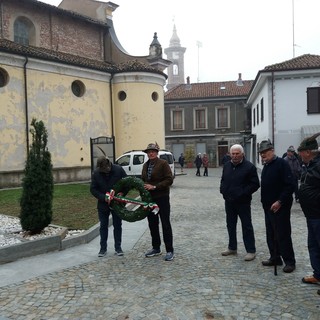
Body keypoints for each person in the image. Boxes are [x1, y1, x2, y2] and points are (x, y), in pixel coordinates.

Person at [259, 139, 296, 273]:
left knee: (283, 233)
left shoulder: (282, 164)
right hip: (268, 207)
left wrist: (280, 201)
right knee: (271, 233)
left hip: (280, 207)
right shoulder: (266, 166)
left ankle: (290, 261)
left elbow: (290, 185)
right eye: (261, 153)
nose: (263, 155)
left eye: (265, 152)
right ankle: (275, 257)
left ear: (272, 151)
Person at [220, 144, 260, 261]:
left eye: (237, 153)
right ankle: (232, 247)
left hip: (243, 202)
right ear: (230, 154)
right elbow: (223, 180)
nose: (235, 156)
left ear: (242, 154)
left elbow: (255, 184)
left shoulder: (249, 167)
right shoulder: (227, 166)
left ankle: (251, 250)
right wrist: (223, 190)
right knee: (230, 225)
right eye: (233, 153)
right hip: (229, 201)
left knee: (246, 226)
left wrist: (242, 193)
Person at [141, 142, 174, 261]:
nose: (151, 153)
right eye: (149, 152)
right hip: (150, 199)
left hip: (162, 197)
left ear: (157, 152)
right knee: (152, 224)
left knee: (165, 223)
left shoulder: (163, 164)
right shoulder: (145, 165)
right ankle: (156, 248)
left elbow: (169, 179)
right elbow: (143, 180)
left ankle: (169, 250)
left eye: (153, 151)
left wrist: (155, 187)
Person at [90, 155, 127, 257]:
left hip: (117, 204)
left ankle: (118, 248)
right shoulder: (96, 173)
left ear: (108, 164)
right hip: (103, 204)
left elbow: (127, 183)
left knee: (117, 225)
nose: (104, 171)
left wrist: (122, 193)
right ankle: (103, 249)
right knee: (103, 226)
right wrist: (103, 197)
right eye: (101, 169)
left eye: (105, 169)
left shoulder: (119, 170)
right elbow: (93, 189)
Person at [297, 133, 320, 285]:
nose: (299, 156)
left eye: (301, 153)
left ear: (308, 152)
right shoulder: (310, 165)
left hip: (318, 214)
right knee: (313, 246)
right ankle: (318, 275)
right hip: (310, 215)